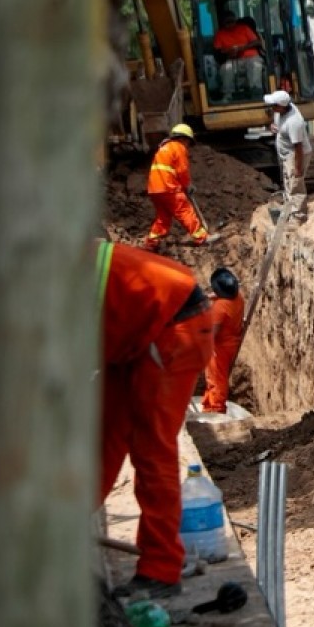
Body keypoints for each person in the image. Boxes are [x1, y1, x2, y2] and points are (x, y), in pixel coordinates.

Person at [98, 240, 216, 598]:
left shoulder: (28, 279)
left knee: (151, 449)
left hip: (173, 325)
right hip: (133, 332)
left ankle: (161, 568)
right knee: (102, 436)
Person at [144, 123, 210, 249]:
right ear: (184, 139)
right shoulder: (179, 147)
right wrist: (187, 185)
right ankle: (201, 237)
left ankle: (152, 241)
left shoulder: (163, 148)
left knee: (163, 216)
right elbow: (182, 170)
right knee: (185, 210)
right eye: (189, 143)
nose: (188, 146)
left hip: (155, 189)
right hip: (169, 188)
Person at [200, 268, 245, 415]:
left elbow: (212, 334)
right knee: (214, 378)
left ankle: (216, 410)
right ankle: (209, 404)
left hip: (220, 348)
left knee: (216, 380)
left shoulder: (219, 309)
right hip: (232, 341)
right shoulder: (238, 297)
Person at [264, 90, 310, 217]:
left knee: (296, 186)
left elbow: (299, 148)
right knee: (288, 185)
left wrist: (298, 168)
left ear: (281, 106)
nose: (271, 108)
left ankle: (298, 216)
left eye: (273, 105)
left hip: (295, 155)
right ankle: (290, 211)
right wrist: (273, 126)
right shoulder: (281, 111)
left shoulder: (295, 122)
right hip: (287, 155)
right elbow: (278, 125)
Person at [213, 10, 264, 98]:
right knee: (226, 68)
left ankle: (255, 93)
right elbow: (218, 51)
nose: (230, 24)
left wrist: (241, 48)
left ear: (235, 20)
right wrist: (229, 53)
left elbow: (257, 42)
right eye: (227, 22)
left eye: (232, 21)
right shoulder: (220, 34)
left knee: (255, 65)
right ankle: (227, 95)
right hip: (232, 60)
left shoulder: (244, 28)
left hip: (251, 57)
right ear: (223, 23)